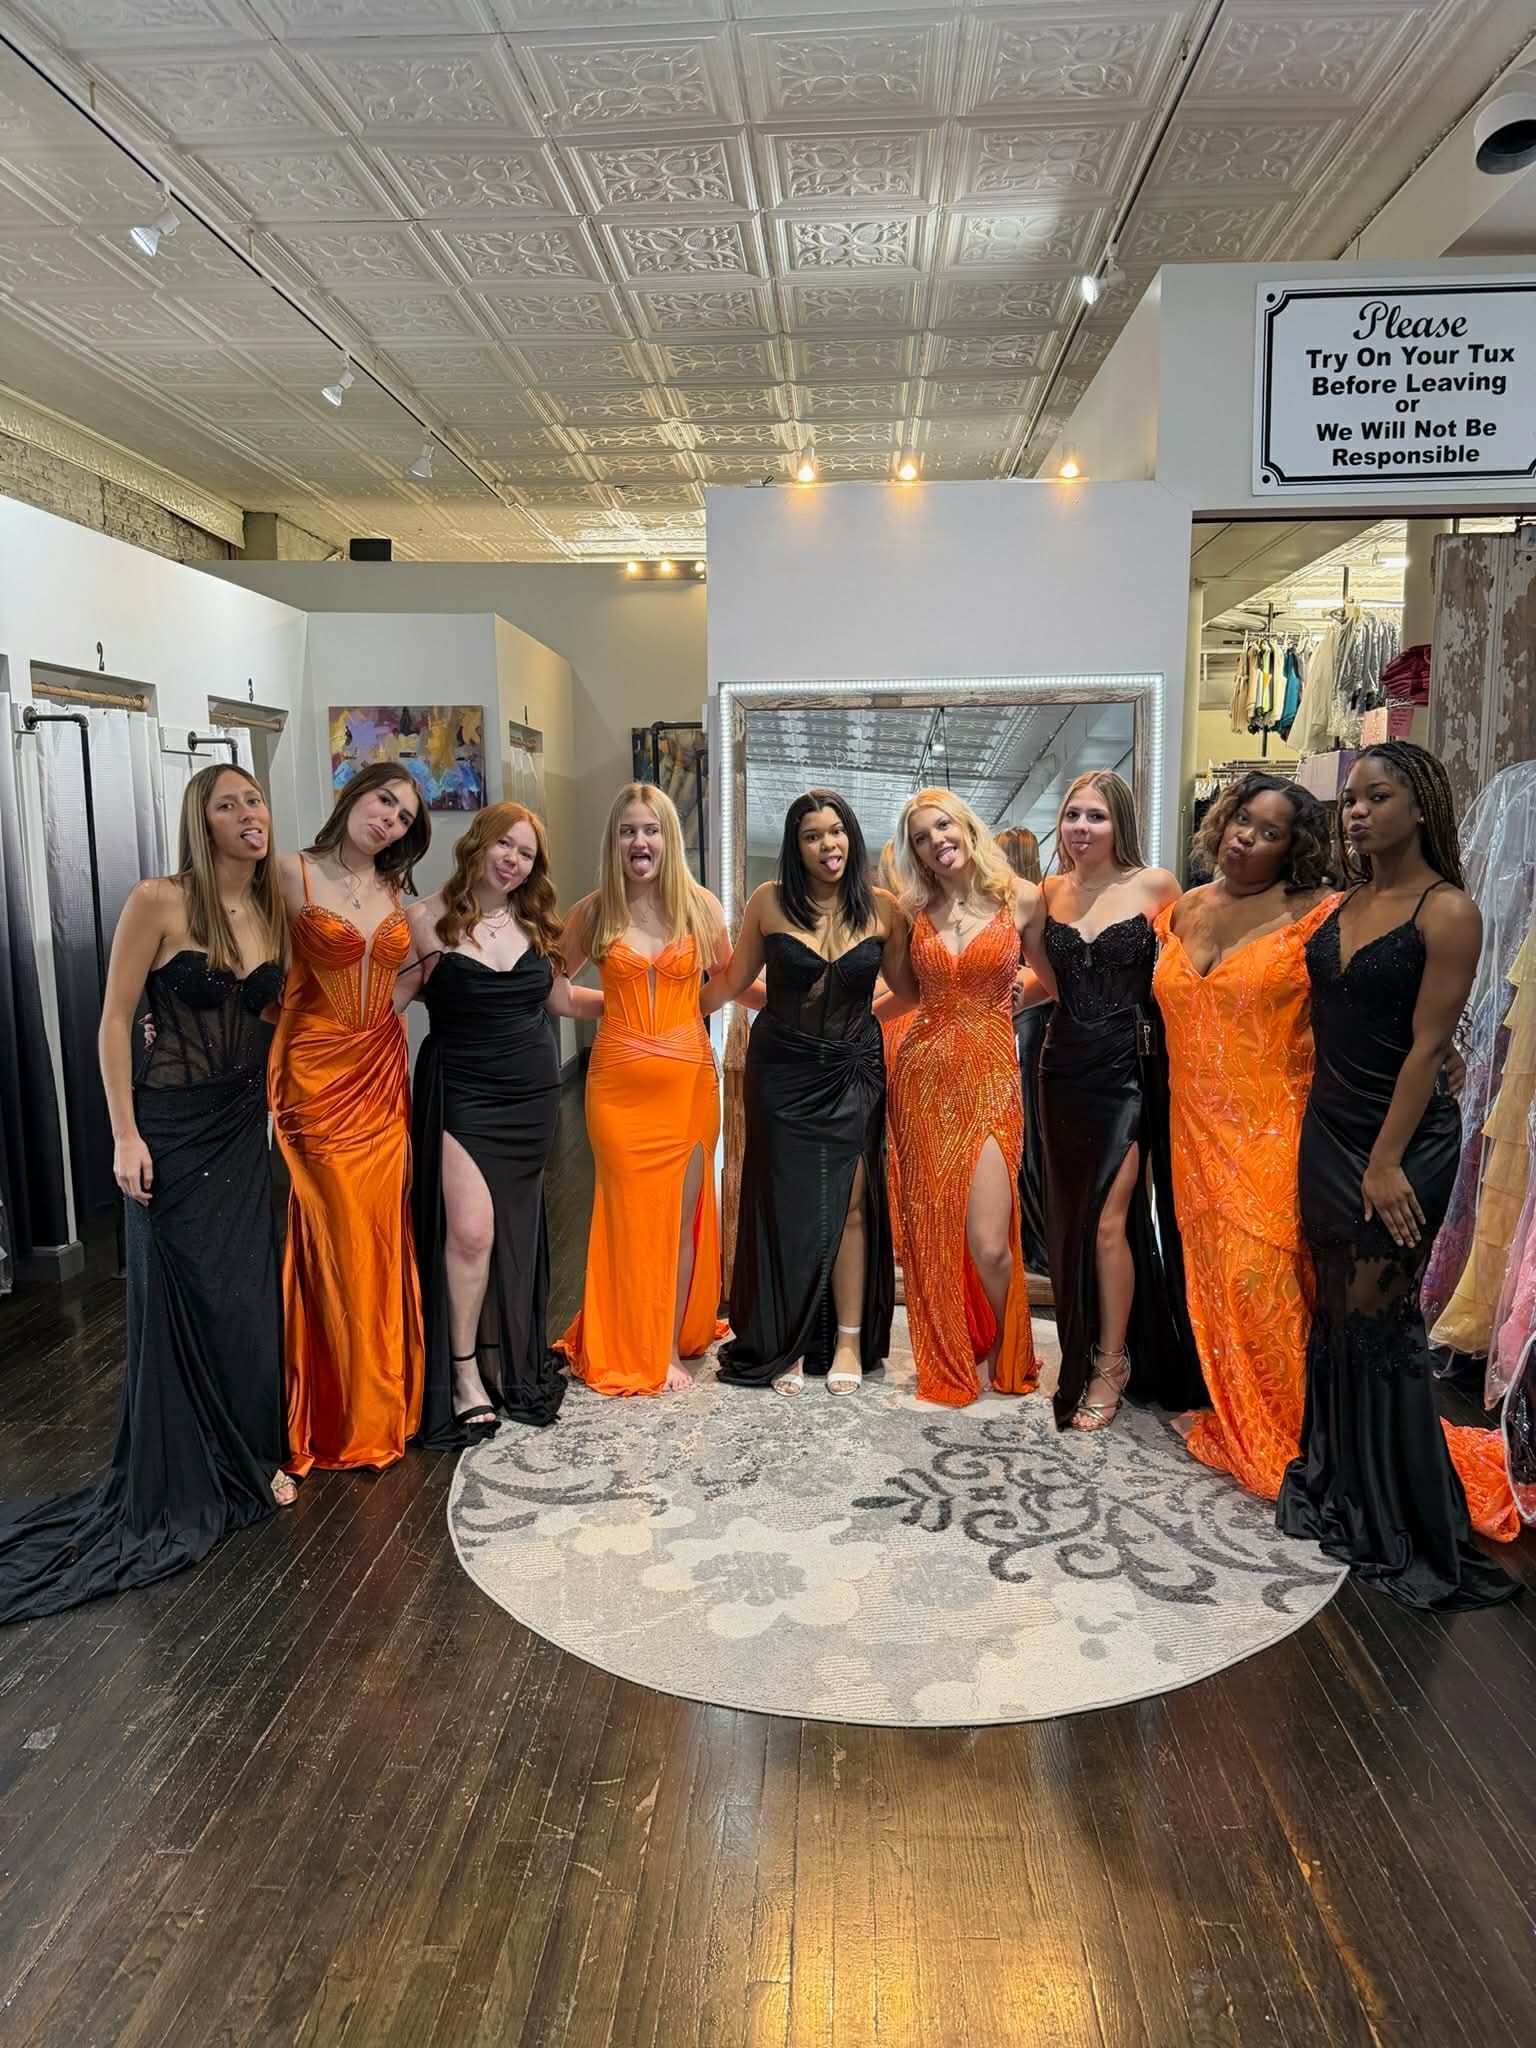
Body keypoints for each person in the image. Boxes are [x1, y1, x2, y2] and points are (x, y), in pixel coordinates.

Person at [0, 766, 293, 1627]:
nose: (249, 814)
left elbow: (277, 1020)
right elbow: (114, 1017)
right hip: (168, 1127)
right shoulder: (159, 900)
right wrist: (124, 1135)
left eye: (256, 801)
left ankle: (250, 1454)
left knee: (245, 1300)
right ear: (200, 821)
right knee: (181, 1296)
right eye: (229, 804)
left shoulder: (270, 906)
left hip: (242, 1129)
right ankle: (197, 1467)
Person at [1277, 743, 1519, 1607]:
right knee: (1335, 1311)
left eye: (1378, 797)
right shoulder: (1344, 903)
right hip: (1330, 1129)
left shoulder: (1445, 909)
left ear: (1420, 806)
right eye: (1351, 800)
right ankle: (1342, 1482)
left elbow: (1427, 1047)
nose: (1357, 813)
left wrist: (1385, 1161)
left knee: (1382, 1320)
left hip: (1401, 1140)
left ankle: (1401, 1514)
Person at [402, 804, 598, 1446]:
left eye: (526, 854)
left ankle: (499, 1358)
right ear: (479, 843)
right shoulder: (425, 918)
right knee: (469, 1233)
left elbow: (561, 1001)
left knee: (510, 1233)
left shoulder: (539, 922)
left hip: (530, 1097)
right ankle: (462, 1375)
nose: (513, 861)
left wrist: (652, 994)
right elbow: (386, 1006)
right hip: (461, 1089)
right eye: (505, 846)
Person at [707, 790, 910, 1394]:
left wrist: (863, 1015)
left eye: (837, 831)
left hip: (853, 1069)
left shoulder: (884, 910)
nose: (829, 845)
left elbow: (910, 988)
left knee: (850, 1203)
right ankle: (784, 1341)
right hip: (782, 1071)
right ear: (796, 848)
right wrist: (660, 1006)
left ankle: (847, 1340)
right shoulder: (768, 903)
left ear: (853, 836)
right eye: (813, 836)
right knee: (784, 1205)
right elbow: (735, 983)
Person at [272, 764, 429, 1475]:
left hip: (381, 1072)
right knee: (331, 1230)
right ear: (354, 794)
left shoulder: (397, 889)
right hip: (313, 1073)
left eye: (402, 818)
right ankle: (337, 1412)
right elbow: (255, 965)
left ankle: (383, 1405)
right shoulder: (288, 873)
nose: (390, 820)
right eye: (385, 801)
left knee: (377, 1227)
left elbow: (419, 965)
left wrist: (387, 1011)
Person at [1036, 770, 1204, 1431]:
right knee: (1071, 1222)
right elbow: (1048, 984)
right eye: (1072, 814)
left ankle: (1111, 1361)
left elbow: (1192, 974)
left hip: (1129, 1072)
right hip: (1061, 1070)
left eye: (1096, 817)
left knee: (1109, 1220)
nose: (1081, 828)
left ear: (1120, 824)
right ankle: (1084, 1345)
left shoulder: (1156, 886)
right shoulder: (1048, 891)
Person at [556, 784, 736, 1396]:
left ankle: (661, 1345)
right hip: (616, 1085)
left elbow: (725, 983)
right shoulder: (592, 912)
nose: (641, 842)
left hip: (688, 1082)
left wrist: (682, 1018)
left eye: (652, 830)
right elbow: (550, 988)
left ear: (669, 839)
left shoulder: (701, 907)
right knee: (629, 1216)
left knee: (680, 1219)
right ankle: (627, 1336)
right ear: (615, 841)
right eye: (630, 830)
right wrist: (615, 1008)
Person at [885, 790, 1048, 1405]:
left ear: (966, 826)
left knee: (988, 1242)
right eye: (922, 838)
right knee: (930, 1231)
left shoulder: (1022, 899)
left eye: (942, 827)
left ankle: (1010, 1351)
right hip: (923, 1076)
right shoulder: (910, 912)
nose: (936, 842)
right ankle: (950, 1354)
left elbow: (1049, 983)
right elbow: (905, 993)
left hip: (990, 1077)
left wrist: (1004, 1002)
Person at [998, 825, 1051, 1274]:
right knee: (1028, 1128)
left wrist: (1016, 991)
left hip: (1026, 1020)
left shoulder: (1027, 900)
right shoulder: (1039, 898)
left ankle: (1034, 1240)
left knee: (1028, 1129)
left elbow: (1043, 975)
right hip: (1031, 1021)